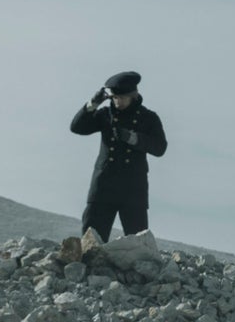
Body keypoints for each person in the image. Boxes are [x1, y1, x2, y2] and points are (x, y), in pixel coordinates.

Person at [70, 70, 168, 242]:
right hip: (103, 187)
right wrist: (93, 104)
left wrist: (133, 138)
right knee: (91, 240)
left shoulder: (148, 118)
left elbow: (160, 148)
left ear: (133, 95)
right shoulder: (105, 115)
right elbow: (77, 128)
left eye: (121, 97)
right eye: (114, 98)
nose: (117, 102)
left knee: (138, 242)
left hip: (133, 189)